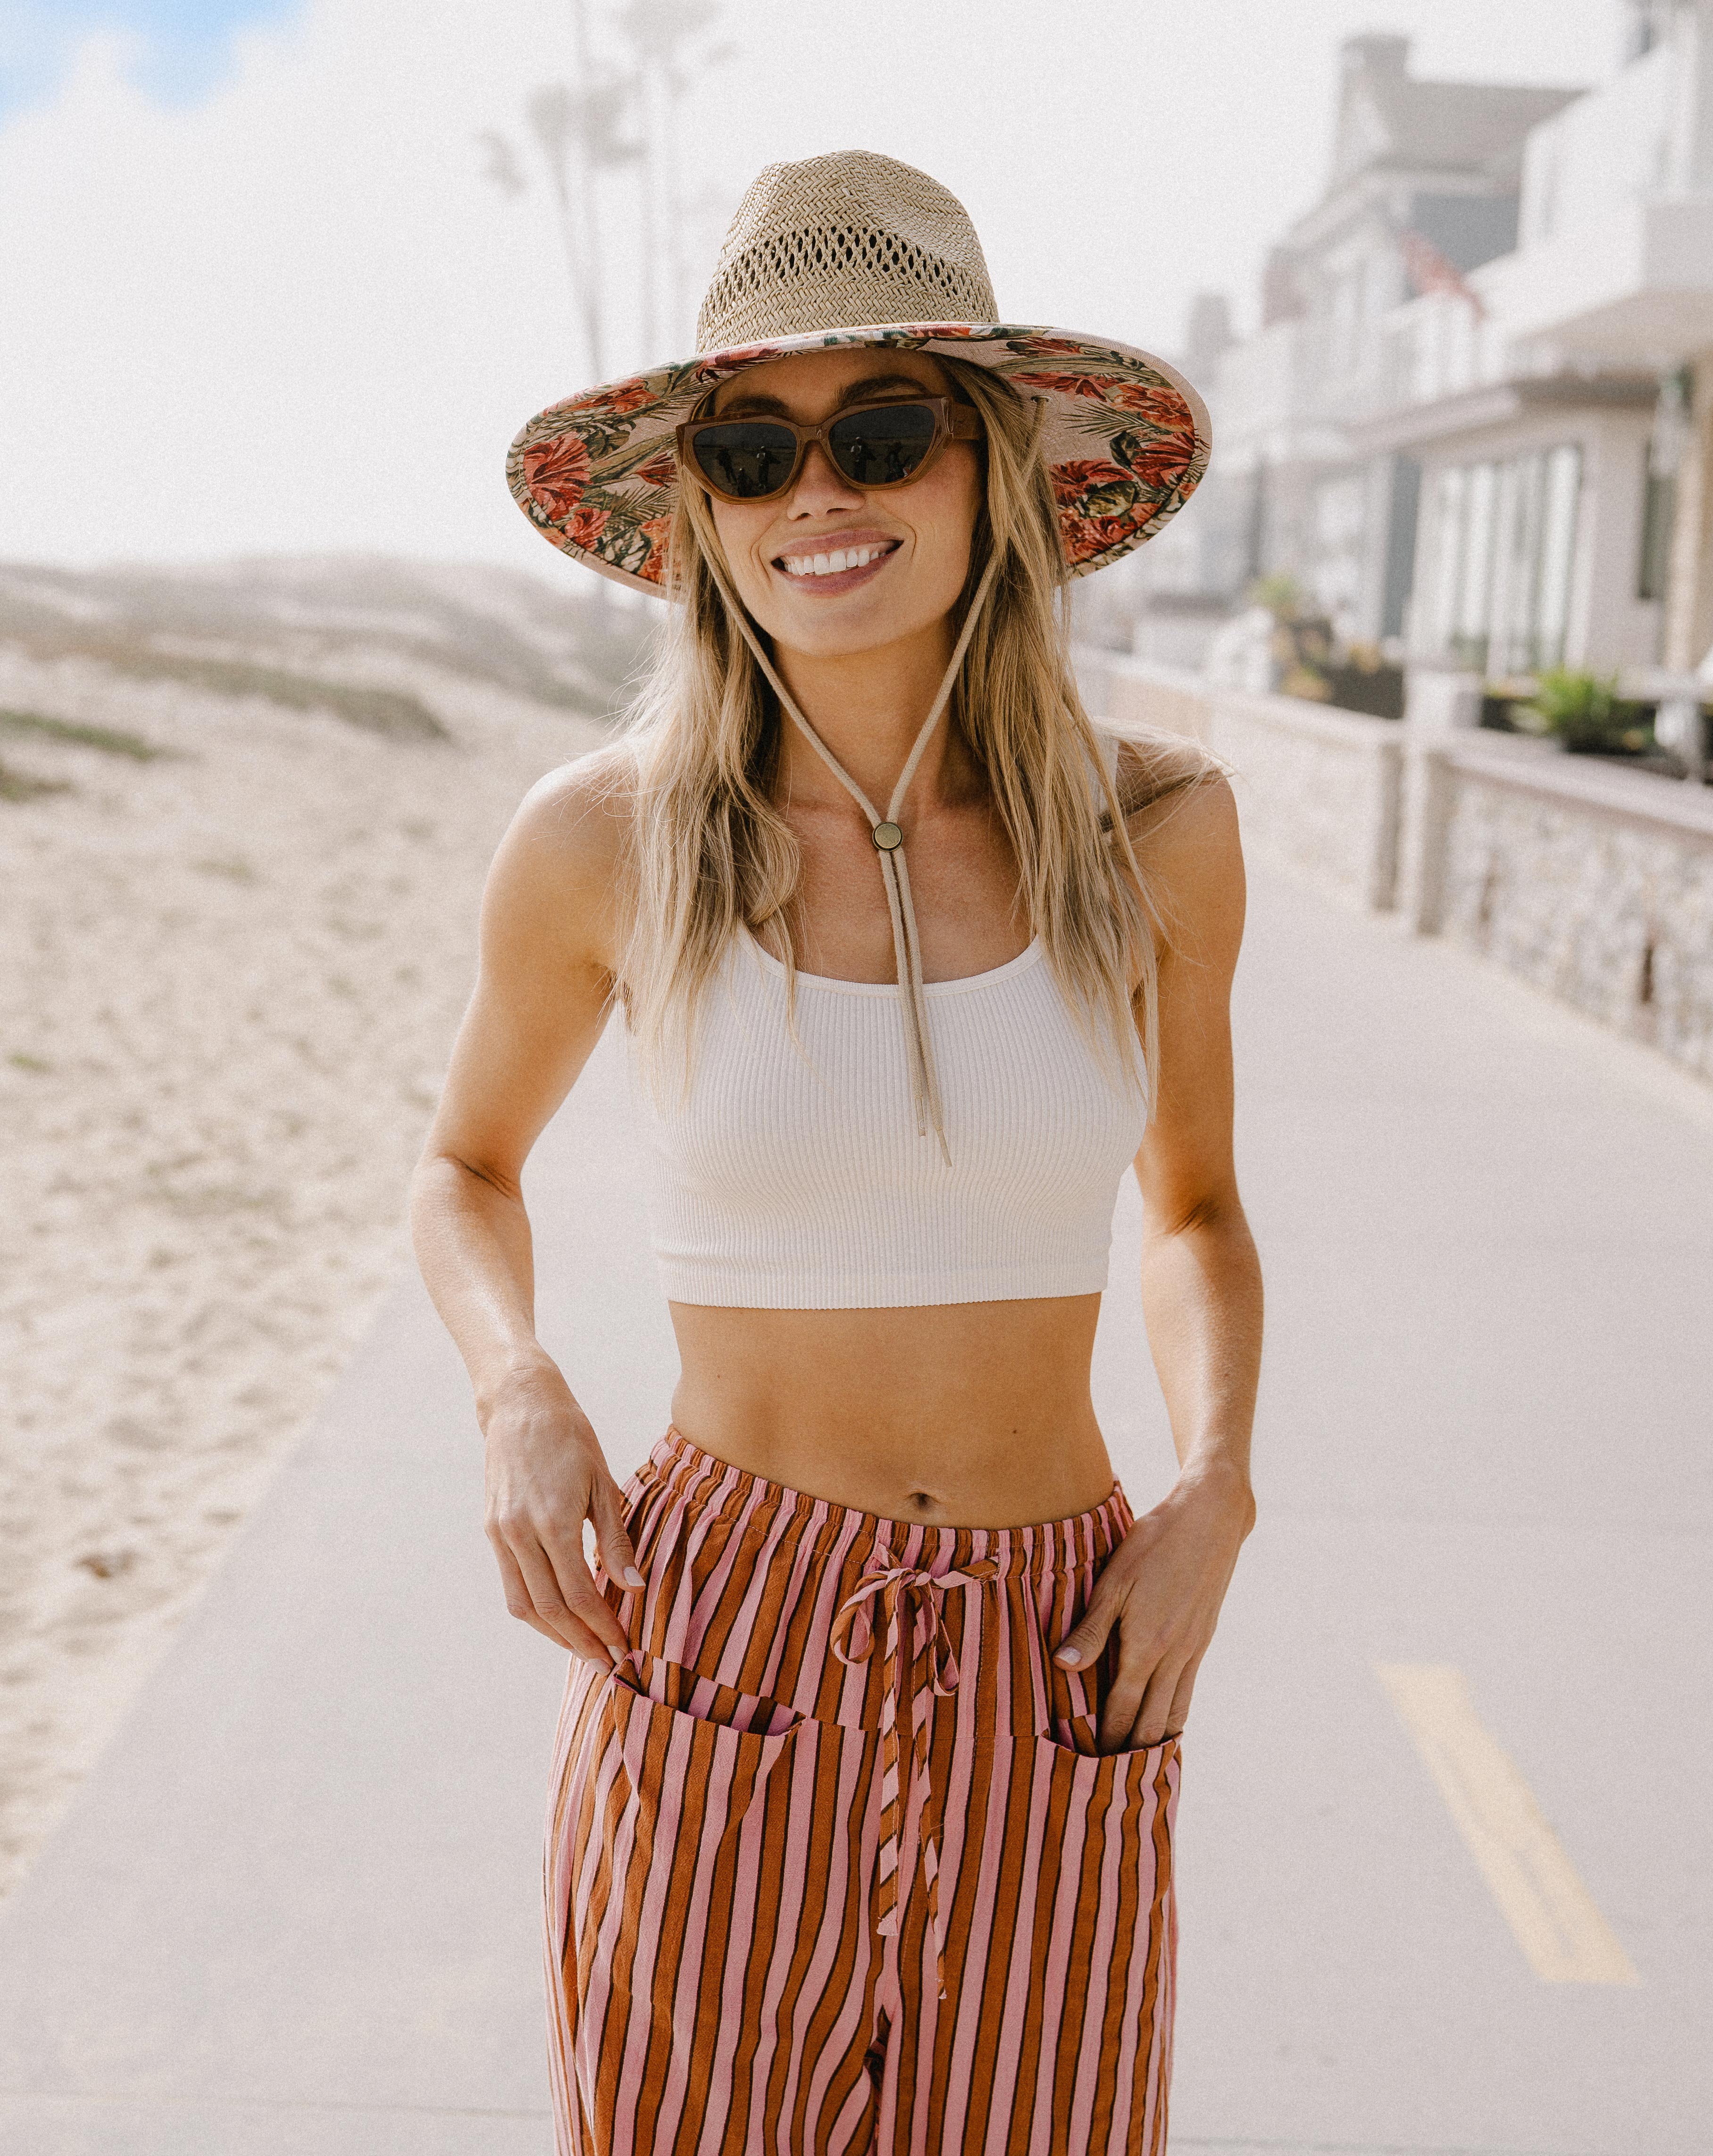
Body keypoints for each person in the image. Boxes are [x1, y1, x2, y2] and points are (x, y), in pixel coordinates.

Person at [411, 150, 1262, 2156]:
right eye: (751, 448)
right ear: (695, 510)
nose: (820, 496)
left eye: (880, 433)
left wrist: (1214, 1487)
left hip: (1054, 1638)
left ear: (987, 473)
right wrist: (518, 1389)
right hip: (724, 1623)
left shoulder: (1158, 833)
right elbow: (462, 1166)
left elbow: (1197, 1207)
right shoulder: (600, 842)